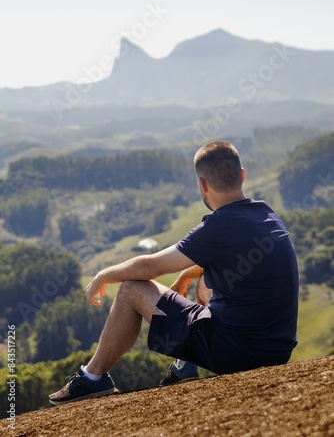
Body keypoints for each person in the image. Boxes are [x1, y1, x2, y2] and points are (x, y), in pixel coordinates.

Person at [49, 141, 299, 405]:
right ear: (242, 175)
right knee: (207, 278)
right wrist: (189, 274)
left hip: (239, 354)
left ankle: (92, 378)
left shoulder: (219, 226)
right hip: (276, 350)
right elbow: (234, 255)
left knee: (132, 288)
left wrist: (103, 275)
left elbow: (149, 267)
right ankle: (183, 366)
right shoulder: (266, 214)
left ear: (203, 185)